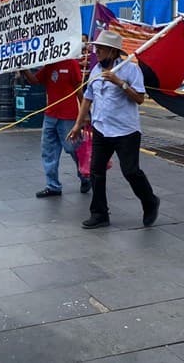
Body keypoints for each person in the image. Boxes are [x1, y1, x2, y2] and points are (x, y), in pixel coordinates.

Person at [68, 30, 160, 229]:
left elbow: (140, 99)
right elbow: (87, 98)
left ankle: (150, 201)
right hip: (101, 129)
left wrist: (120, 83)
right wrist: (78, 124)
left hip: (126, 131)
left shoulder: (129, 70)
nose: (96, 51)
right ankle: (99, 213)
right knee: (96, 171)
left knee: (131, 171)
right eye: (96, 48)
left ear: (112, 50)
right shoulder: (95, 70)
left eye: (100, 49)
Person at [20, 58, 86, 197]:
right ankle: (53, 185)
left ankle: (85, 175)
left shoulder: (71, 63)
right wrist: (23, 69)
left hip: (68, 115)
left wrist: (84, 114)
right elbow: (35, 80)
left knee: (72, 148)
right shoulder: (50, 64)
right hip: (50, 115)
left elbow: (78, 88)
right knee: (48, 151)